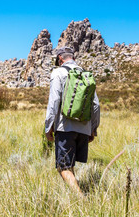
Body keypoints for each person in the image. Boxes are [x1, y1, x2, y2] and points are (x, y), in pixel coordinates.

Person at [45, 46, 100, 195]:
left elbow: (54, 101)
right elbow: (96, 105)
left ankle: (81, 200)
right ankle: (74, 200)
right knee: (70, 167)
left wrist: (48, 127)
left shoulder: (58, 72)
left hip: (65, 127)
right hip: (84, 127)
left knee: (63, 167)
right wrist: (93, 129)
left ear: (60, 59)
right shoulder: (86, 74)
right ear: (73, 57)